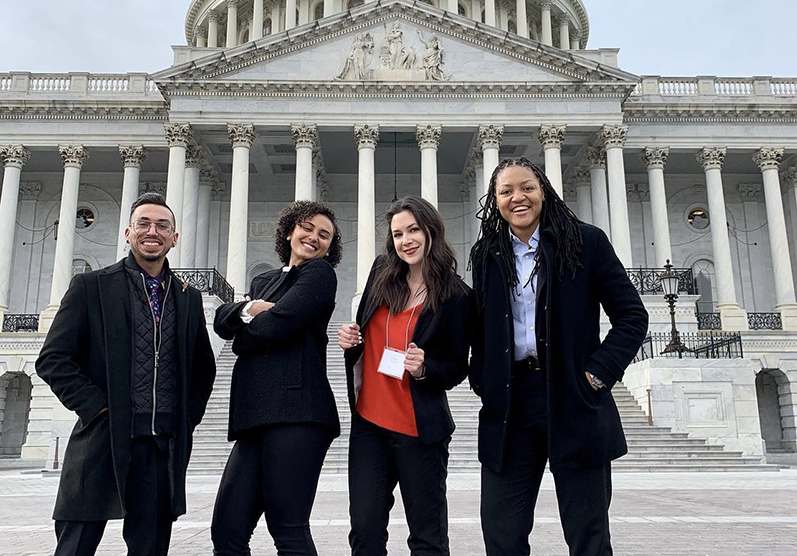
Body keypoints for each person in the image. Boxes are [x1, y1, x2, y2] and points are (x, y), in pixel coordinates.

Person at [468, 157, 648, 556]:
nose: (518, 197)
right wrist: (484, 378)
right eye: (506, 191)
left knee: (588, 537)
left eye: (527, 187)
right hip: (511, 407)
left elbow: (632, 316)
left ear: (544, 190)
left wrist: (597, 374)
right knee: (501, 534)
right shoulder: (487, 256)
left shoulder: (586, 242)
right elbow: (482, 326)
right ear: (495, 201)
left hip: (573, 399)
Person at [36, 192, 216, 556]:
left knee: (150, 546)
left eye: (163, 226)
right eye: (144, 224)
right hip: (103, 437)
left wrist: (185, 417)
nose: (153, 232)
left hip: (159, 445)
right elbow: (53, 359)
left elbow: (203, 369)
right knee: (76, 543)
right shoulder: (92, 287)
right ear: (128, 232)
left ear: (174, 237)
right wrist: (96, 409)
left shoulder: (188, 298)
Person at [338, 196, 473, 556]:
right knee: (364, 533)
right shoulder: (382, 271)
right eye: (398, 234)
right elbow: (367, 336)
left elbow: (458, 367)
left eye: (413, 230)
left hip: (418, 431)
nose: (406, 240)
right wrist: (351, 340)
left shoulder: (457, 296)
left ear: (431, 231)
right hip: (369, 424)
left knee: (427, 537)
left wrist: (425, 368)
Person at [211, 201, 343, 556]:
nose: (313, 237)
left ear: (330, 247)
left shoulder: (319, 275)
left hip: (298, 411)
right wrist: (249, 309)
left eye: (324, 235)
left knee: (287, 527)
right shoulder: (264, 280)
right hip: (255, 415)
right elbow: (222, 320)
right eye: (307, 228)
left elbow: (280, 324)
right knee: (227, 530)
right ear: (289, 231)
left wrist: (246, 329)